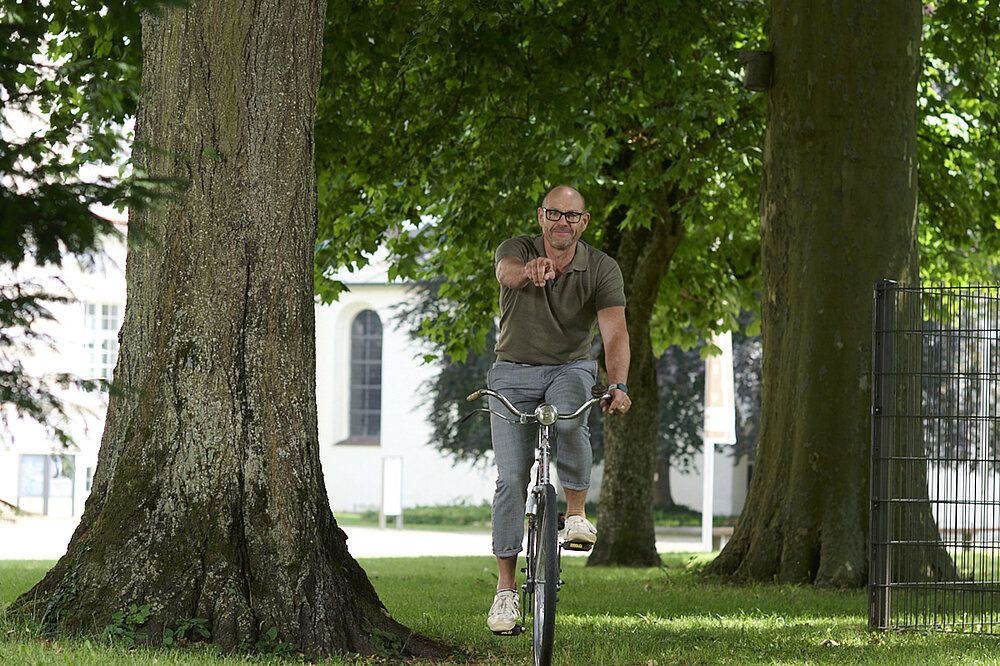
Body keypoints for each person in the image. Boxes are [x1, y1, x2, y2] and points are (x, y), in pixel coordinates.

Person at [486, 185, 631, 634]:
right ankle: (506, 591)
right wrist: (530, 271)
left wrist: (620, 383)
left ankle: (576, 516)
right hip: (512, 372)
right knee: (511, 479)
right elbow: (506, 273)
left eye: (571, 216)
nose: (561, 222)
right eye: (554, 214)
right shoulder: (518, 250)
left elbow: (614, 334)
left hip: (569, 368)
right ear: (541, 216)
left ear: (583, 222)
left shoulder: (601, 267)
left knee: (570, 415)